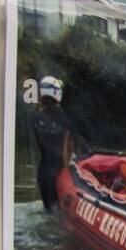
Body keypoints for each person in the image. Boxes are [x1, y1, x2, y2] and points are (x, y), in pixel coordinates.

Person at [31, 75, 88, 210]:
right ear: (58, 93)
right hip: (61, 173)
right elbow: (81, 146)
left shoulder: (36, 118)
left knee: (48, 210)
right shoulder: (66, 120)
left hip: (43, 173)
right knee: (59, 214)